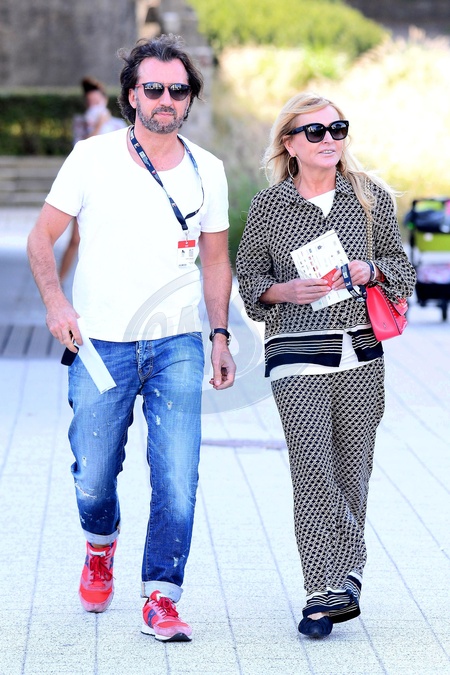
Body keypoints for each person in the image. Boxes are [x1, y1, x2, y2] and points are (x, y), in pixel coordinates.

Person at [27, 34, 236, 643]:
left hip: (177, 343)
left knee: (177, 476)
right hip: (100, 343)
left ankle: (161, 595)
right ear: (132, 95)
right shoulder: (90, 158)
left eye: (179, 90)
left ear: (190, 98)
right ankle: (100, 545)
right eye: (154, 88)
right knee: (93, 476)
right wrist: (56, 303)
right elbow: (41, 238)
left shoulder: (209, 170)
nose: (167, 99)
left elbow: (215, 260)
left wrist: (220, 335)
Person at [236, 92, 416, 639]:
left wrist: (369, 270)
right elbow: (249, 280)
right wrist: (283, 290)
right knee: (313, 467)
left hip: (361, 352)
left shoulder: (369, 197)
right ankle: (321, 590)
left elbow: (402, 271)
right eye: (314, 132)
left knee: (352, 469)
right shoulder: (269, 206)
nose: (329, 139)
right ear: (289, 144)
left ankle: (348, 576)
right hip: (295, 352)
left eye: (337, 129)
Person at [59, 77, 127, 283]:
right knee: (75, 239)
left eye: (96, 101)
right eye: (90, 102)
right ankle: (58, 283)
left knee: (109, 240)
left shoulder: (118, 126)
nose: (94, 105)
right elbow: (80, 150)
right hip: (85, 185)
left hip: (109, 187)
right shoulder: (81, 123)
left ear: (104, 100)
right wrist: (98, 125)